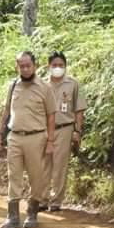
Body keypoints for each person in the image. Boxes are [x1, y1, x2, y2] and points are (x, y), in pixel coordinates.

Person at [0, 51, 56, 228]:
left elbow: (51, 116)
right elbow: (6, 112)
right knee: (14, 176)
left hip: (37, 137)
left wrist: (50, 140)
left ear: (35, 65)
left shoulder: (44, 88)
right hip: (15, 137)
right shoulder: (13, 86)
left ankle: (32, 212)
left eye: (28, 65)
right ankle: (12, 217)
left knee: (37, 177)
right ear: (17, 66)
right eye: (22, 66)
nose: (25, 69)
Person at [40, 51, 87, 212]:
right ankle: (42, 199)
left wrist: (77, 130)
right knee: (43, 164)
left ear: (65, 66)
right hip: (45, 129)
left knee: (60, 165)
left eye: (61, 65)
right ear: (48, 66)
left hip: (65, 128)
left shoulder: (74, 84)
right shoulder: (42, 84)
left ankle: (56, 201)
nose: (58, 68)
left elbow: (79, 110)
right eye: (54, 65)